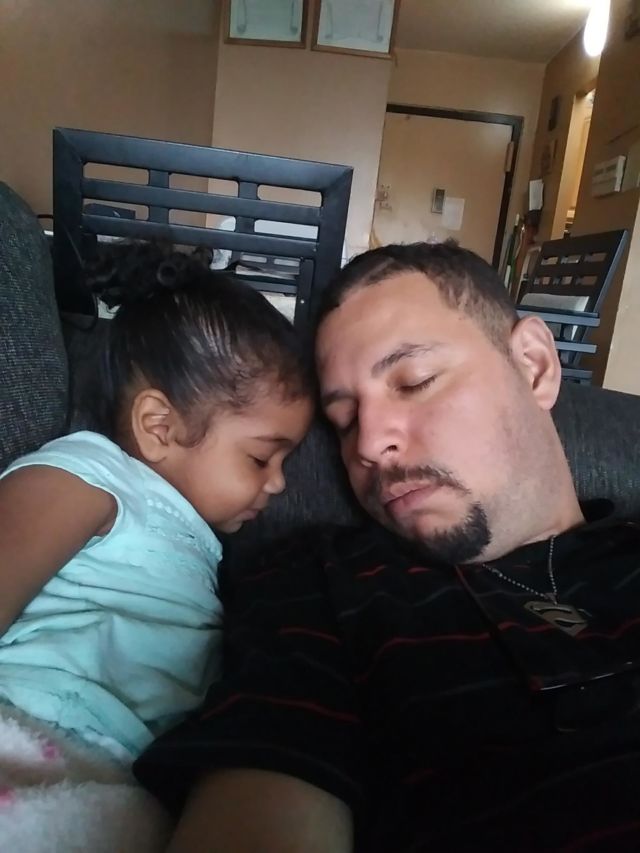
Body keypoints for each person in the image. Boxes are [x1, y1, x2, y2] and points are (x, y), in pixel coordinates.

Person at [134, 242, 640, 852]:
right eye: (345, 422)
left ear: (533, 366)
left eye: (414, 381)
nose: (369, 445)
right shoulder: (323, 581)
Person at [0, 245, 312, 851]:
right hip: (34, 727)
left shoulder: (202, 548)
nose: (278, 484)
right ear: (159, 427)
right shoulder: (95, 474)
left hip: (125, 781)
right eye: (260, 458)